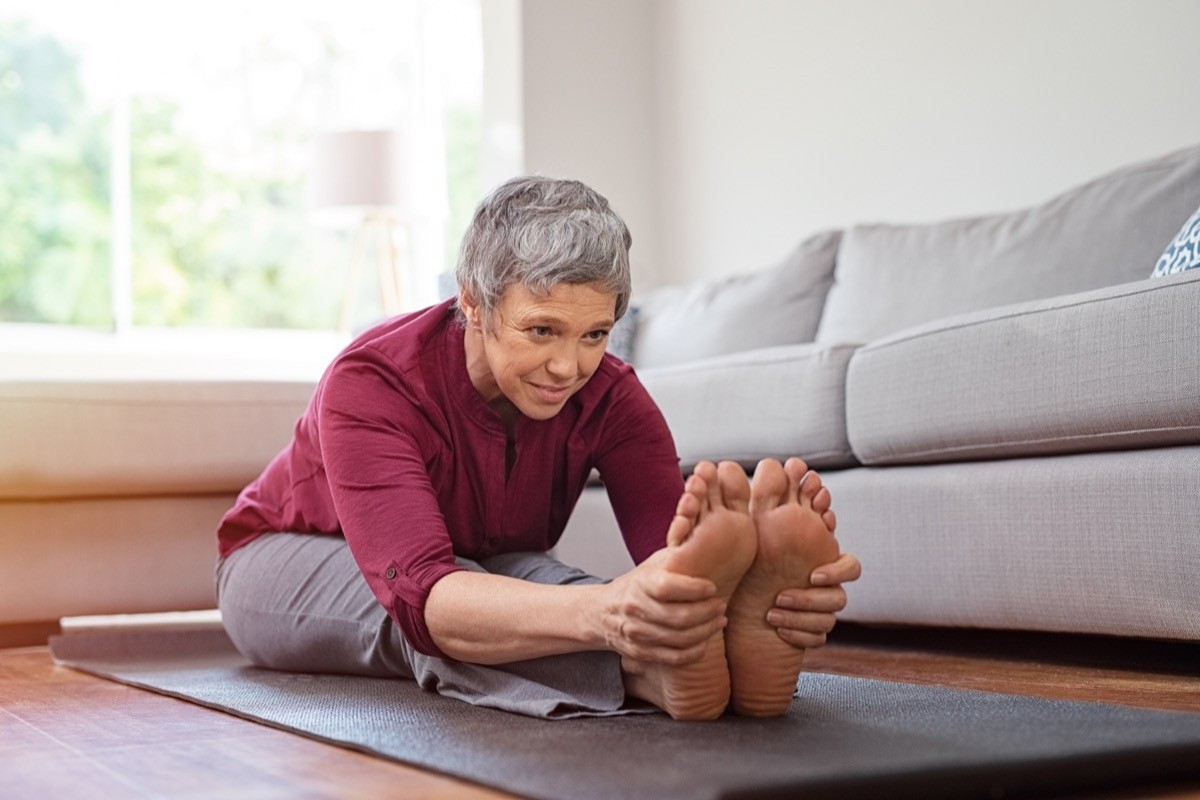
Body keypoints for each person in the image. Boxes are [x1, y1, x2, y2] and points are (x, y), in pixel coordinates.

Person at [215, 176, 862, 721]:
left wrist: (753, 597)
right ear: (473, 303)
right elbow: (425, 595)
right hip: (289, 558)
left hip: (482, 562)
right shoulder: (372, 383)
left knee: (556, 589)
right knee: (456, 619)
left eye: (594, 334)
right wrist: (610, 613)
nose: (568, 366)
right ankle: (643, 674)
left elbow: (675, 564)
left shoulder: (613, 395)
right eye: (542, 330)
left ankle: (679, 658)